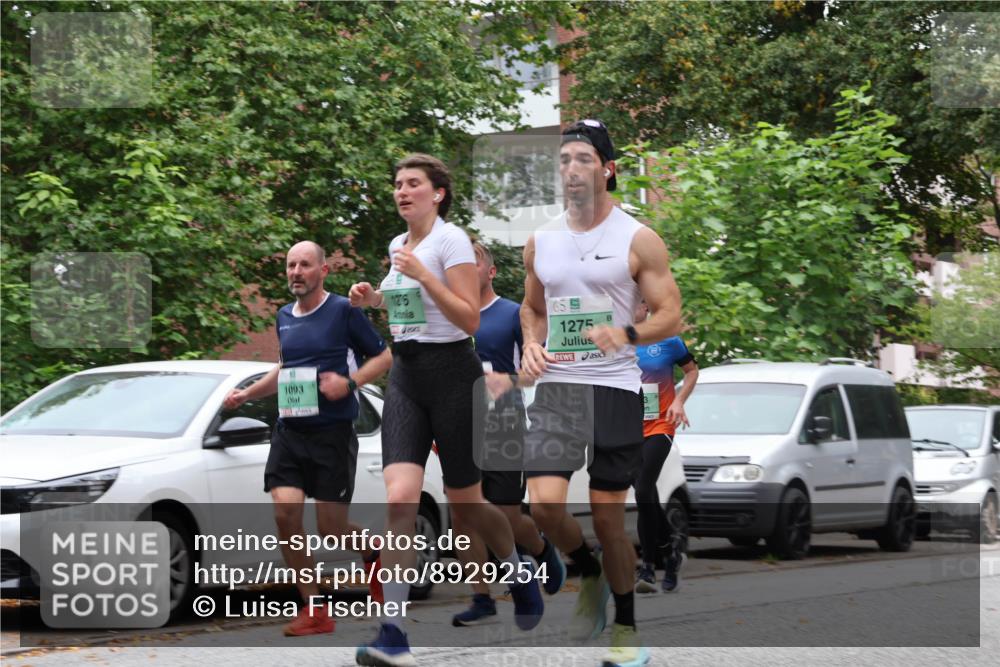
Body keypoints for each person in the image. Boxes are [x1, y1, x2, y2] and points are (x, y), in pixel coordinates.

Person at [350, 155, 543, 666]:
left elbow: (467, 317)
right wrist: (373, 299)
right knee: (400, 500)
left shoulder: (451, 240)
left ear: (437, 193)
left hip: (455, 375)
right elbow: (406, 309)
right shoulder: (397, 246)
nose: (402, 191)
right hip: (408, 377)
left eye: (413, 183)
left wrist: (423, 275)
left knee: (469, 505)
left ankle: (518, 575)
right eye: (396, 184)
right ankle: (393, 632)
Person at [519, 120, 682, 667]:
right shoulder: (541, 239)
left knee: (610, 519)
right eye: (564, 159)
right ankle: (584, 569)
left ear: (607, 169)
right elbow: (533, 308)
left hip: (614, 387)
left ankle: (627, 628)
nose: (571, 168)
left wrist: (627, 334)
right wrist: (529, 345)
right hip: (559, 388)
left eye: (583, 158)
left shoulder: (637, 238)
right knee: (543, 504)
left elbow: (670, 313)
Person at [223, 241, 393, 637]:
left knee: (331, 530)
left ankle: (374, 554)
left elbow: (384, 358)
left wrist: (348, 383)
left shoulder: (342, 311)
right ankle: (315, 608)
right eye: (290, 265)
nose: (296, 272)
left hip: (332, 433)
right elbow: (285, 368)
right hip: (290, 431)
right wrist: (248, 394)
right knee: (285, 514)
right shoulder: (284, 316)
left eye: (304, 265)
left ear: (323, 271)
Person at [450, 241, 566, 627]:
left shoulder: (512, 314)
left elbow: (535, 371)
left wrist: (507, 381)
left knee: (505, 513)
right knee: (462, 516)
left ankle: (540, 548)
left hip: (503, 421)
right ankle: (482, 598)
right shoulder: (449, 317)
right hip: (458, 426)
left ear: (490, 271)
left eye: (475, 261)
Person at [632, 301, 698, 594]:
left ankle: (647, 566)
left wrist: (679, 400)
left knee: (643, 489)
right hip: (627, 427)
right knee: (647, 496)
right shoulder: (615, 340)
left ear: (644, 305)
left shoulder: (668, 340)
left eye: (634, 300)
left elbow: (692, 371)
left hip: (660, 424)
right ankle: (669, 554)